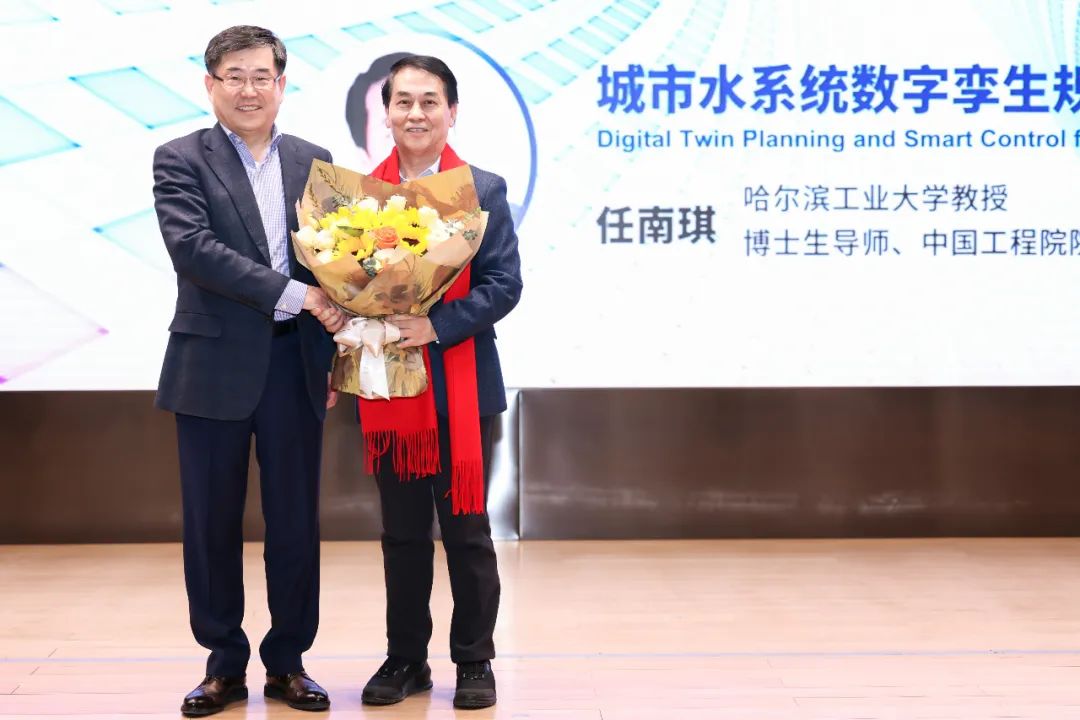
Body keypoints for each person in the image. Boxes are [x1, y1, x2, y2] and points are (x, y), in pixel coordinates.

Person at [152, 25, 345, 717]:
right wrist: (299, 295)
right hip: (210, 366)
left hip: (296, 364)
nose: (248, 89)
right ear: (210, 85)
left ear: (281, 85)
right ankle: (223, 663)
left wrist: (343, 337)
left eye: (261, 76)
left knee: (295, 523)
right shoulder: (180, 158)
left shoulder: (314, 161)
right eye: (233, 76)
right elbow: (194, 249)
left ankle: (288, 662)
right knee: (210, 523)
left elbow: (335, 260)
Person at [354, 55, 522, 710]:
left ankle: (474, 660)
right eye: (403, 101)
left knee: (466, 531)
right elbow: (342, 282)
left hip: (461, 385)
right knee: (401, 534)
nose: (416, 114)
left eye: (429, 101)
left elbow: (504, 284)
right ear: (387, 113)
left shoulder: (481, 189)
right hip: (389, 387)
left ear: (452, 111)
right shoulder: (357, 197)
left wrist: (437, 325)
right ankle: (405, 659)